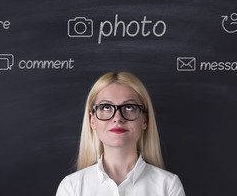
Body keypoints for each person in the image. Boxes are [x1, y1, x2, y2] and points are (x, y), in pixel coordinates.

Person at [56, 72, 185, 196]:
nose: (117, 118)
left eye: (129, 107)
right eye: (106, 107)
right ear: (92, 120)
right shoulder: (71, 187)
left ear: (144, 120)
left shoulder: (168, 186)